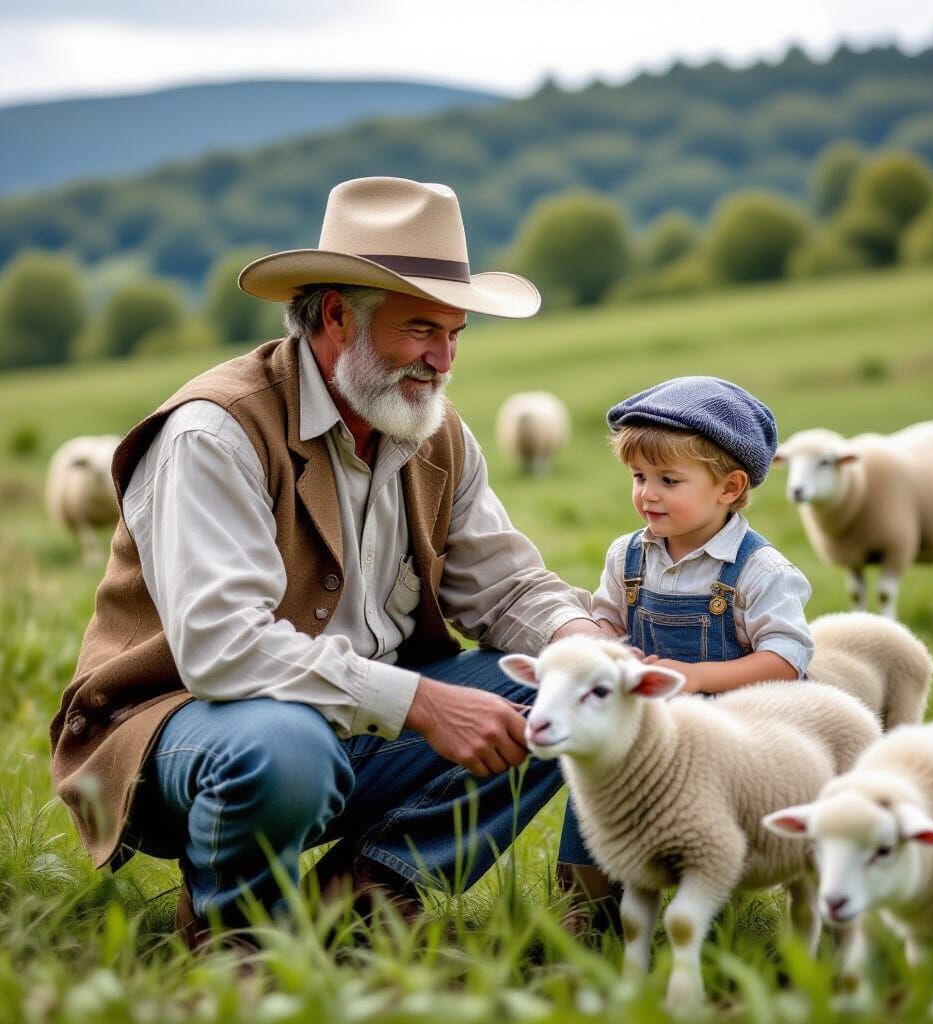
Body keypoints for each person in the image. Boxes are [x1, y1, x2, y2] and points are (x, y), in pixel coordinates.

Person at [49, 176, 611, 947]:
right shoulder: (214, 433)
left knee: (569, 695)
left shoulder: (433, 429)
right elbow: (221, 649)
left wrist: (581, 641)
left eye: (455, 334)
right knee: (285, 746)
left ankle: (362, 904)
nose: (442, 359)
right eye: (420, 330)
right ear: (340, 316)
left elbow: (506, 583)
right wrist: (420, 702)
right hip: (181, 729)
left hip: (356, 720)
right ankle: (234, 936)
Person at [591, 376, 814, 693]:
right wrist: (613, 649)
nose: (648, 494)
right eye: (639, 477)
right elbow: (607, 620)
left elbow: (787, 660)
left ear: (729, 487)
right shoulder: (625, 558)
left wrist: (697, 678)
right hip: (656, 725)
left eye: (668, 481)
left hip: (741, 724)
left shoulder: (759, 571)